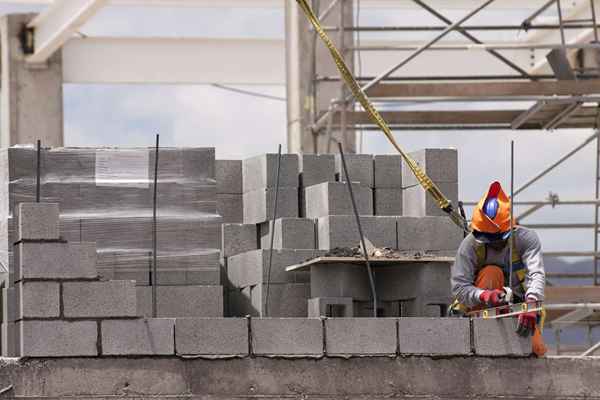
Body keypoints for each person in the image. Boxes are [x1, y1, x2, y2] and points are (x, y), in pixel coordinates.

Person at [449, 181, 547, 356]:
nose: (492, 243)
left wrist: (531, 304)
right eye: (487, 239)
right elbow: (459, 288)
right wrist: (485, 295)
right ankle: (481, 341)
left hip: (516, 305)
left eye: (497, 238)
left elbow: (536, 274)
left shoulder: (525, 239)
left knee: (536, 350)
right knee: (491, 272)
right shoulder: (470, 245)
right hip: (480, 308)